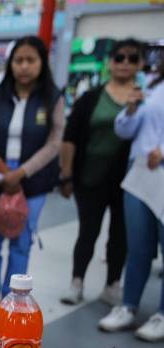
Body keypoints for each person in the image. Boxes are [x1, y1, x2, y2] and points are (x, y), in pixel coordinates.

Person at [0, 36, 64, 320]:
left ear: (41, 63)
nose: (24, 66)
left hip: (32, 179)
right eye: (18, 60)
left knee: (21, 241)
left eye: (30, 60)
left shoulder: (53, 97)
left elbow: (54, 142)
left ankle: (12, 300)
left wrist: (21, 173)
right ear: (11, 64)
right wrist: (3, 170)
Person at [59, 39, 142, 306]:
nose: (125, 63)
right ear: (110, 62)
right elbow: (70, 137)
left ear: (140, 64)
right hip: (90, 176)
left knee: (121, 234)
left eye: (132, 58)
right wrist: (66, 173)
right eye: (119, 57)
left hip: (129, 179)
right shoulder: (91, 97)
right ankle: (77, 281)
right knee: (88, 231)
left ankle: (113, 283)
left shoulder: (146, 99)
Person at [98, 64, 164, 341]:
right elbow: (124, 130)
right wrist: (132, 108)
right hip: (139, 173)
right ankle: (128, 306)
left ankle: (162, 314)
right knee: (137, 246)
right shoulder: (152, 85)